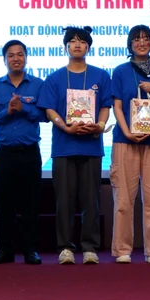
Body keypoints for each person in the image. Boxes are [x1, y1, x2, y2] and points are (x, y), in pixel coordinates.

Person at [38, 26, 112, 265]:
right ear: (66, 46)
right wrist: (65, 126)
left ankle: (89, 247)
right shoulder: (55, 77)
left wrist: (100, 125)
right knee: (65, 200)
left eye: (82, 41)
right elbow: (49, 109)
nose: (77, 45)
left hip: (91, 146)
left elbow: (105, 106)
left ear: (88, 47)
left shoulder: (101, 76)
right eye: (72, 41)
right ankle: (65, 247)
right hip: (64, 146)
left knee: (91, 201)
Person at [109, 25, 150, 264]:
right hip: (125, 141)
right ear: (130, 44)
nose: (142, 42)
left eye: (146, 38)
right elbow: (116, 106)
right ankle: (123, 249)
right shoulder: (120, 71)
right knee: (123, 198)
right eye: (137, 39)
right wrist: (127, 132)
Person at [0, 39, 46, 265]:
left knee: (31, 203)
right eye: (11, 55)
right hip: (5, 153)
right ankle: (4, 251)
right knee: (5, 204)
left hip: (30, 152)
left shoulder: (38, 85)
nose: (16, 58)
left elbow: (45, 115)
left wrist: (24, 108)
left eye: (20, 54)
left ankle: (31, 250)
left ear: (26, 57)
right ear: (4, 59)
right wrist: (8, 111)